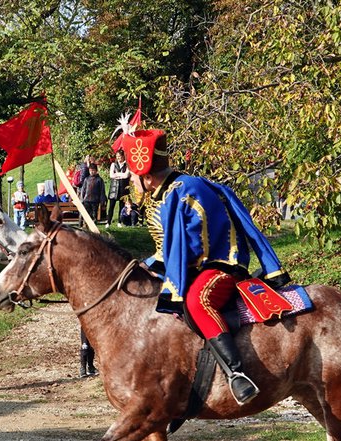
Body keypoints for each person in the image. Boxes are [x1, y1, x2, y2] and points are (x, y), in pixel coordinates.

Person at [119, 127, 290, 404]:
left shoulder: (185, 191)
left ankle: (237, 374)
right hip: (191, 265)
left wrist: (156, 265)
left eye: (131, 175)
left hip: (219, 264)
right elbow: (170, 247)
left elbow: (194, 246)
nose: (130, 180)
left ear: (146, 176)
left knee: (197, 301)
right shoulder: (164, 193)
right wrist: (148, 264)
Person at [106, 149, 131, 225]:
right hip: (114, 188)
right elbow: (111, 175)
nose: (118, 158)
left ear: (123, 156)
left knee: (121, 206)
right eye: (117, 156)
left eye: (120, 156)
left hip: (123, 188)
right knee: (111, 206)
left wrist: (117, 174)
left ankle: (119, 222)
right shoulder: (113, 164)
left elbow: (126, 175)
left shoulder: (127, 165)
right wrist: (121, 175)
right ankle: (108, 222)